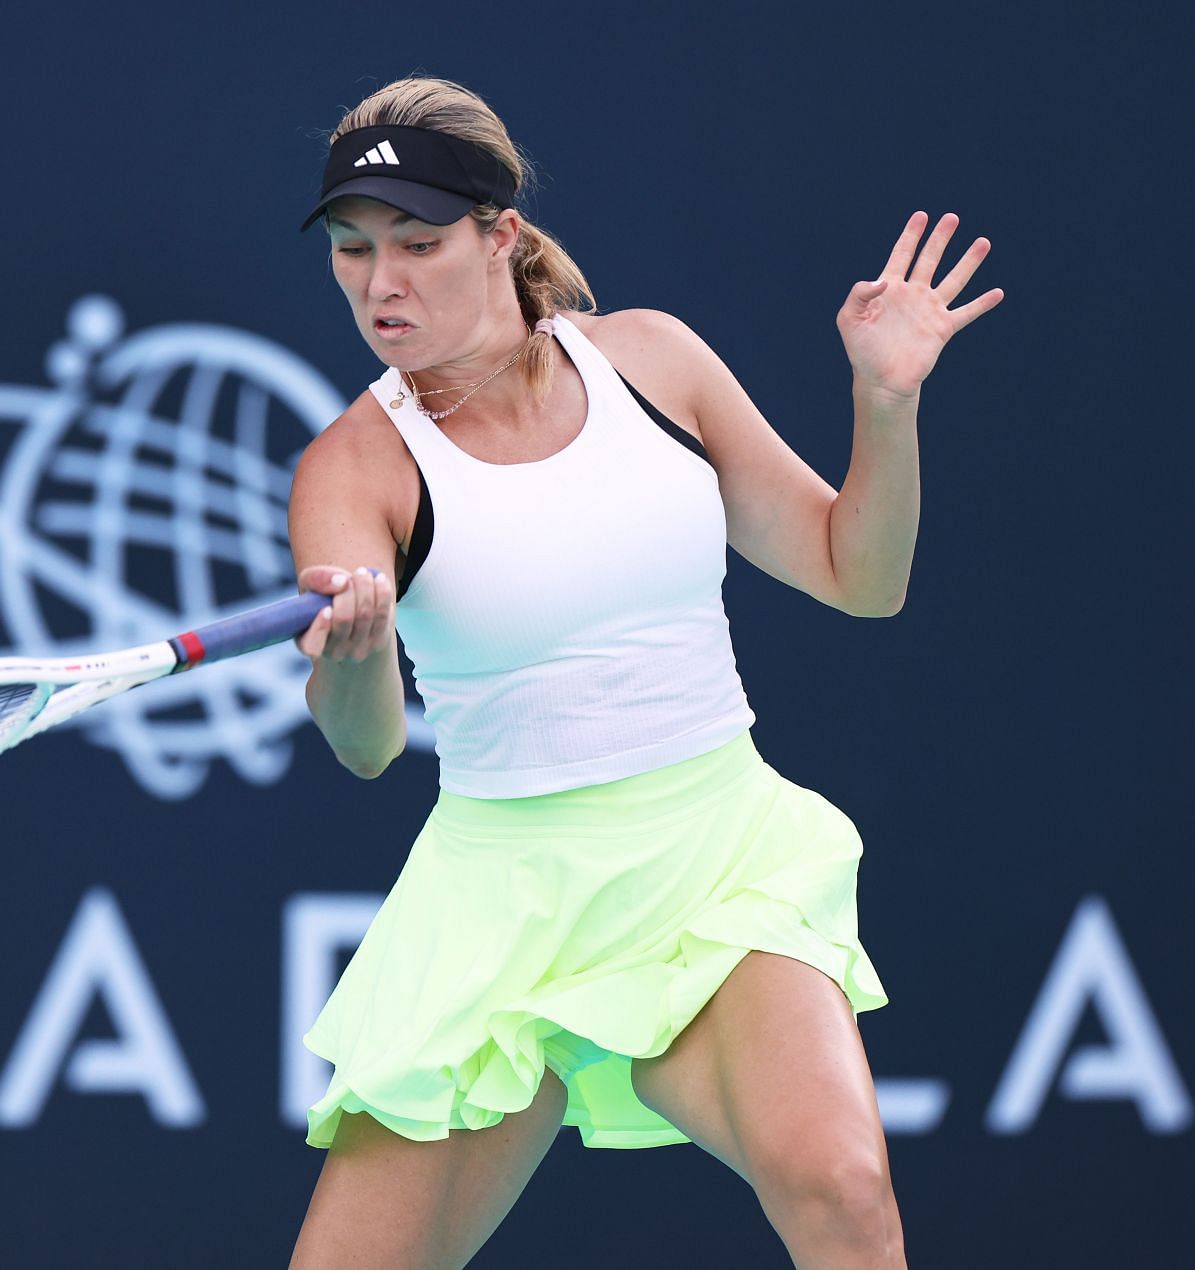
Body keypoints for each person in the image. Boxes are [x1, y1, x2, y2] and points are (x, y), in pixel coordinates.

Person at [285, 77, 1001, 1270]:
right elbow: (364, 744)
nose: (382, 283)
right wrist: (355, 655)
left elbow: (854, 572)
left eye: (419, 243)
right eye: (354, 253)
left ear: (501, 236)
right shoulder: (354, 468)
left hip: (715, 856)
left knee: (842, 1186)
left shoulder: (653, 362)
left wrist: (886, 401)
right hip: (498, 902)